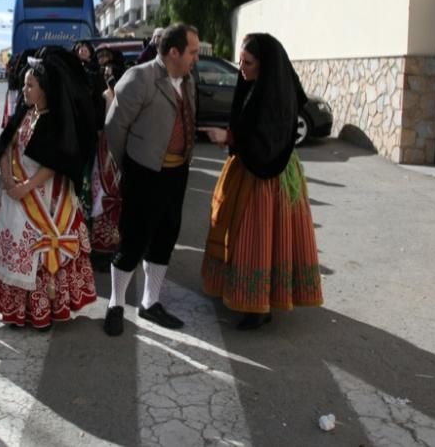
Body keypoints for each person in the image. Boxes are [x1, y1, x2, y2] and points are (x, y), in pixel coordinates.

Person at [199, 33, 324, 329]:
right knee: (257, 237)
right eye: (240, 61)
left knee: (256, 237)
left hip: (267, 177)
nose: (242, 68)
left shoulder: (277, 95)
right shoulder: (255, 85)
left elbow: (268, 140)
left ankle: (257, 305)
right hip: (253, 167)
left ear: (265, 65)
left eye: (249, 62)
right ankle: (253, 297)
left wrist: (229, 137)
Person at [0, 49, 98, 329]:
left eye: (30, 85)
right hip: (17, 193)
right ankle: (18, 309)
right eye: (24, 84)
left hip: (45, 198)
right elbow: (7, 144)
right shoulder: (26, 113)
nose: (24, 89)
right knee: (20, 251)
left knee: (41, 255)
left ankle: (45, 309)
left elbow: (55, 162)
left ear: (47, 89)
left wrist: (25, 188)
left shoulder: (56, 121)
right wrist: (7, 177)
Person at [102, 23, 200, 336]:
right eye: (193, 52)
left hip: (177, 171)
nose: (196, 58)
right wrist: (127, 167)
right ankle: (115, 304)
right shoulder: (140, 77)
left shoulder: (188, 81)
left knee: (166, 235)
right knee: (133, 239)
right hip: (144, 172)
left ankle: (150, 302)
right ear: (174, 52)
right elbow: (114, 127)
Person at [88, 47, 128, 271]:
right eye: (102, 66)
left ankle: (113, 245)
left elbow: (113, 120)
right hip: (102, 144)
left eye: (110, 68)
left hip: (114, 144)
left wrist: (110, 98)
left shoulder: (118, 91)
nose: (107, 73)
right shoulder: (97, 88)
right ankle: (101, 245)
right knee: (100, 190)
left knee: (110, 190)